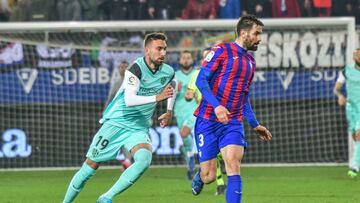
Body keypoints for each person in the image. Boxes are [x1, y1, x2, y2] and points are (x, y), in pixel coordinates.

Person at [62, 32, 177, 203]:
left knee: (144, 160)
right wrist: (157, 98)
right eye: (158, 49)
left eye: (165, 49)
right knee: (91, 165)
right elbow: (130, 100)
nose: (163, 53)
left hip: (138, 126)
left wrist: (169, 111)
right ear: (147, 50)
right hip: (117, 121)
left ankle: (106, 197)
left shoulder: (168, 71)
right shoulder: (135, 69)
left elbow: (173, 84)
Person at [191, 15, 273, 203]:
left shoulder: (251, 62)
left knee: (233, 164)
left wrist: (254, 124)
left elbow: (244, 97)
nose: (260, 38)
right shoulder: (221, 50)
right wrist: (217, 105)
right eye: (257, 33)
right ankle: (201, 173)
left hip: (232, 122)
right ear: (244, 33)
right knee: (209, 176)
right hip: (208, 119)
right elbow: (201, 80)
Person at [185, 47, 227, 195]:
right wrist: (189, 95)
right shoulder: (197, 74)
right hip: (206, 119)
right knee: (212, 164)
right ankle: (218, 183)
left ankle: (217, 181)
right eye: (205, 57)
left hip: (223, 118)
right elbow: (189, 93)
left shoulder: (223, 74)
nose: (207, 60)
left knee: (231, 152)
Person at [333, 48, 360, 178]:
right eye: (357, 53)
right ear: (354, 56)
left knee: (359, 135)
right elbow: (337, 88)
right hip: (351, 108)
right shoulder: (346, 71)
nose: (358, 56)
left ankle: (355, 167)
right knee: (355, 137)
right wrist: (340, 96)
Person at [105, 60, 133, 170]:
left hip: (132, 115)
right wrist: (105, 113)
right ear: (118, 69)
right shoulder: (116, 83)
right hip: (119, 116)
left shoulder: (134, 81)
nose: (124, 69)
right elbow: (110, 99)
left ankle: (130, 161)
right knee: (123, 139)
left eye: (126, 67)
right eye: (121, 67)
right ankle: (128, 161)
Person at [174, 50, 197, 180]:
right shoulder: (175, 76)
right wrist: (175, 91)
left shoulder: (196, 74)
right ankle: (190, 165)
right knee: (186, 140)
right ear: (180, 61)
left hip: (194, 110)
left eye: (188, 57)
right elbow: (169, 95)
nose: (186, 60)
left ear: (192, 60)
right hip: (180, 111)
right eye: (184, 58)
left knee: (184, 133)